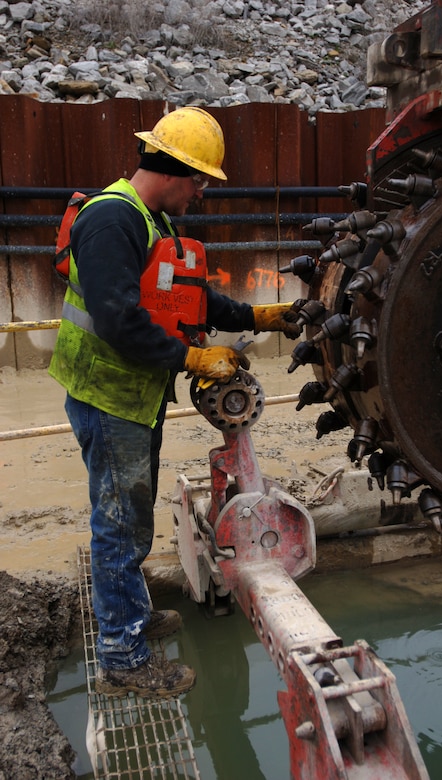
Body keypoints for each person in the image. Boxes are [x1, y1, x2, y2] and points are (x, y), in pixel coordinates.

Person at [49, 107, 299, 699]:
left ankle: (130, 617)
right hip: (109, 396)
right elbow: (117, 319)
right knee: (119, 524)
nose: (204, 192)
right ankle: (122, 657)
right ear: (175, 169)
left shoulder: (150, 219)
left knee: (129, 516)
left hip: (132, 396)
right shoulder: (114, 221)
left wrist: (259, 314)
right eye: (202, 180)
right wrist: (191, 359)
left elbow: (188, 300)